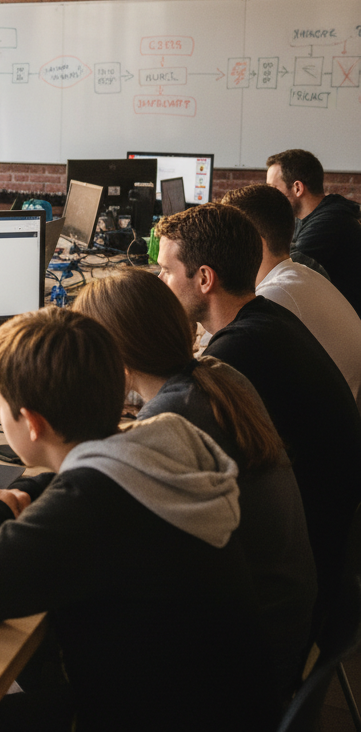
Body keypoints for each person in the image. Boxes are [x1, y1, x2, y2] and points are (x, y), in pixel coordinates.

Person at [0, 308, 276, 732]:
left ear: (31, 423)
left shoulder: (89, 507)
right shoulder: (157, 442)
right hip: (222, 705)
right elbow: (82, 478)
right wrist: (32, 492)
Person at [72, 267, 316, 695]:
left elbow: (96, 536)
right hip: (285, 624)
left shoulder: (170, 424)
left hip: (240, 669)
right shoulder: (218, 375)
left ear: (112, 353)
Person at [154, 202, 361, 637]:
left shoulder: (237, 353)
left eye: (166, 271)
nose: (160, 282)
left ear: (205, 278)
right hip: (324, 551)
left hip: (288, 590)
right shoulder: (267, 317)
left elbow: (165, 439)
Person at [222, 182, 361, 399]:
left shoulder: (276, 294)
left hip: (323, 425)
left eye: (226, 238)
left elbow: (226, 363)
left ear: (252, 243)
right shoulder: (301, 275)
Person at [267, 148, 361, 318]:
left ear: (297, 188)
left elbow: (284, 267)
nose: (270, 196)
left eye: (273, 188)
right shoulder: (300, 219)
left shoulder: (332, 220)